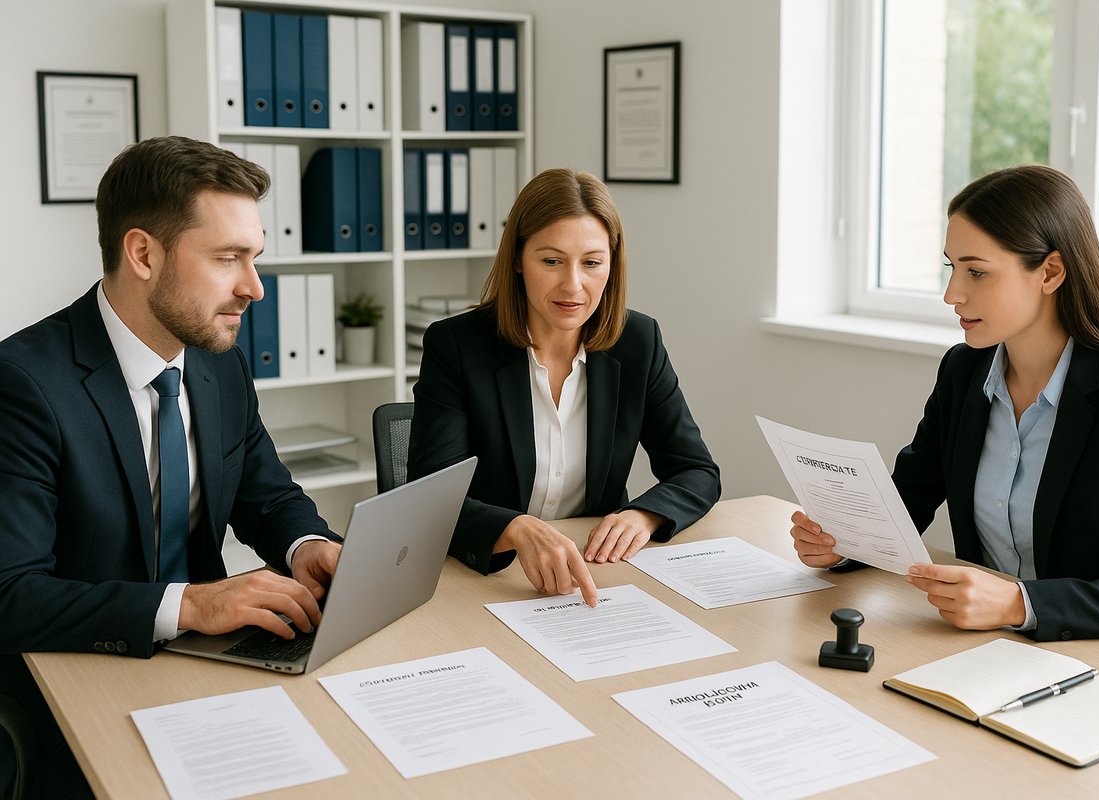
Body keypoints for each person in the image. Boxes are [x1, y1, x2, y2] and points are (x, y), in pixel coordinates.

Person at [0, 136, 344, 796]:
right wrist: (190, 604)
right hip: (81, 687)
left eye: (255, 258)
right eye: (228, 259)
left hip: (210, 669)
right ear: (143, 253)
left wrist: (306, 547)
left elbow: (265, 492)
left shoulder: (217, 360)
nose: (255, 288)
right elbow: (10, 594)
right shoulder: (24, 385)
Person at [791, 164, 1099, 642]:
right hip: (982, 649)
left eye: (977, 272)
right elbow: (908, 499)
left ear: (1050, 272)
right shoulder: (964, 371)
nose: (952, 294)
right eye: (952, 267)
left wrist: (1018, 604)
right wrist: (842, 542)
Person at [408, 168, 720, 607]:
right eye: (551, 261)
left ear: (612, 263)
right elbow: (429, 496)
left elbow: (696, 470)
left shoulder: (638, 343)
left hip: (596, 574)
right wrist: (514, 527)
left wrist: (644, 514)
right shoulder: (457, 346)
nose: (573, 285)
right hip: (488, 579)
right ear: (518, 259)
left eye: (592, 263)